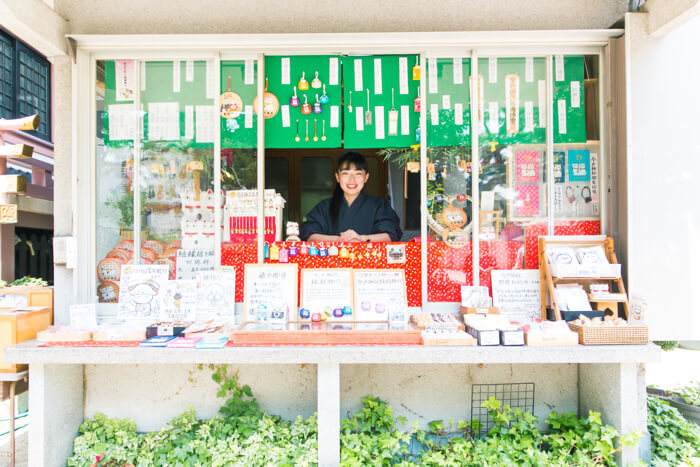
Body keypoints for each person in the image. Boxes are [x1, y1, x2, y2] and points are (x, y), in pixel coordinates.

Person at [300, 151, 403, 242]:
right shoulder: (324, 207)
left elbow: (390, 235)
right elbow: (309, 235)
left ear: (366, 177)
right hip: (331, 263)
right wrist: (340, 239)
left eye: (358, 174)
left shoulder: (379, 205)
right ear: (337, 177)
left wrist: (361, 238)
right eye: (346, 174)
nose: (352, 180)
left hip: (368, 263)